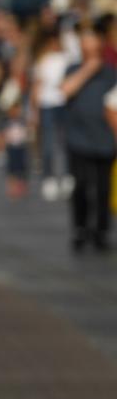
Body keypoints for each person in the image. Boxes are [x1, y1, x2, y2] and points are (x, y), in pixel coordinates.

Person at [58, 28, 117, 252]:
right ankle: (80, 228)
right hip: (78, 137)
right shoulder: (73, 69)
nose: (89, 49)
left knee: (103, 188)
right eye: (85, 44)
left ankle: (101, 231)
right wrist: (87, 70)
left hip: (104, 139)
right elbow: (65, 90)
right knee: (81, 185)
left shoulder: (111, 73)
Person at [29, 21, 74, 201]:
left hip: (64, 104)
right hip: (47, 104)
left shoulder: (67, 58)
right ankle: (49, 177)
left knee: (66, 142)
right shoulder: (43, 60)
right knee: (48, 143)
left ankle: (67, 176)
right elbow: (36, 87)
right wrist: (34, 111)